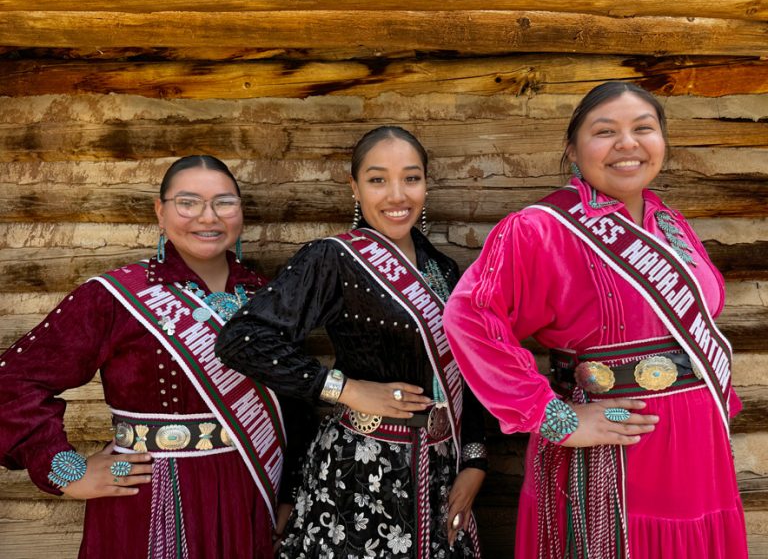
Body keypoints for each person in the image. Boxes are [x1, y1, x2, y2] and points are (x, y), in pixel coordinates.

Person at [443, 82, 748, 559]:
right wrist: (554, 416)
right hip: (613, 453)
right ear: (573, 149)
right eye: (606, 132)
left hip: (696, 448)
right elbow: (470, 316)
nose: (628, 144)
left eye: (643, 129)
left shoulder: (670, 223)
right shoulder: (541, 228)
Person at [0, 155, 304, 558]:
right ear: (160, 212)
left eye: (224, 202)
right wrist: (65, 471)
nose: (207, 216)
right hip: (153, 495)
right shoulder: (114, 297)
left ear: (240, 212)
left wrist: (287, 496)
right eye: (188, 202)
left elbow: (294, 401)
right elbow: (14, 381)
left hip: (248, 485)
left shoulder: (268, 297)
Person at [215, 126, 488, 559]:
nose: (397, 195)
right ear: (354, 188)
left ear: (426, 185)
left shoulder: (444, 269)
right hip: (360, 474)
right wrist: (346, 389)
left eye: (411, 178)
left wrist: (474, 463)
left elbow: (469, 370)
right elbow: (242, 340)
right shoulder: (332, 258)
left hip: (441, 473)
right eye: (378, 179)